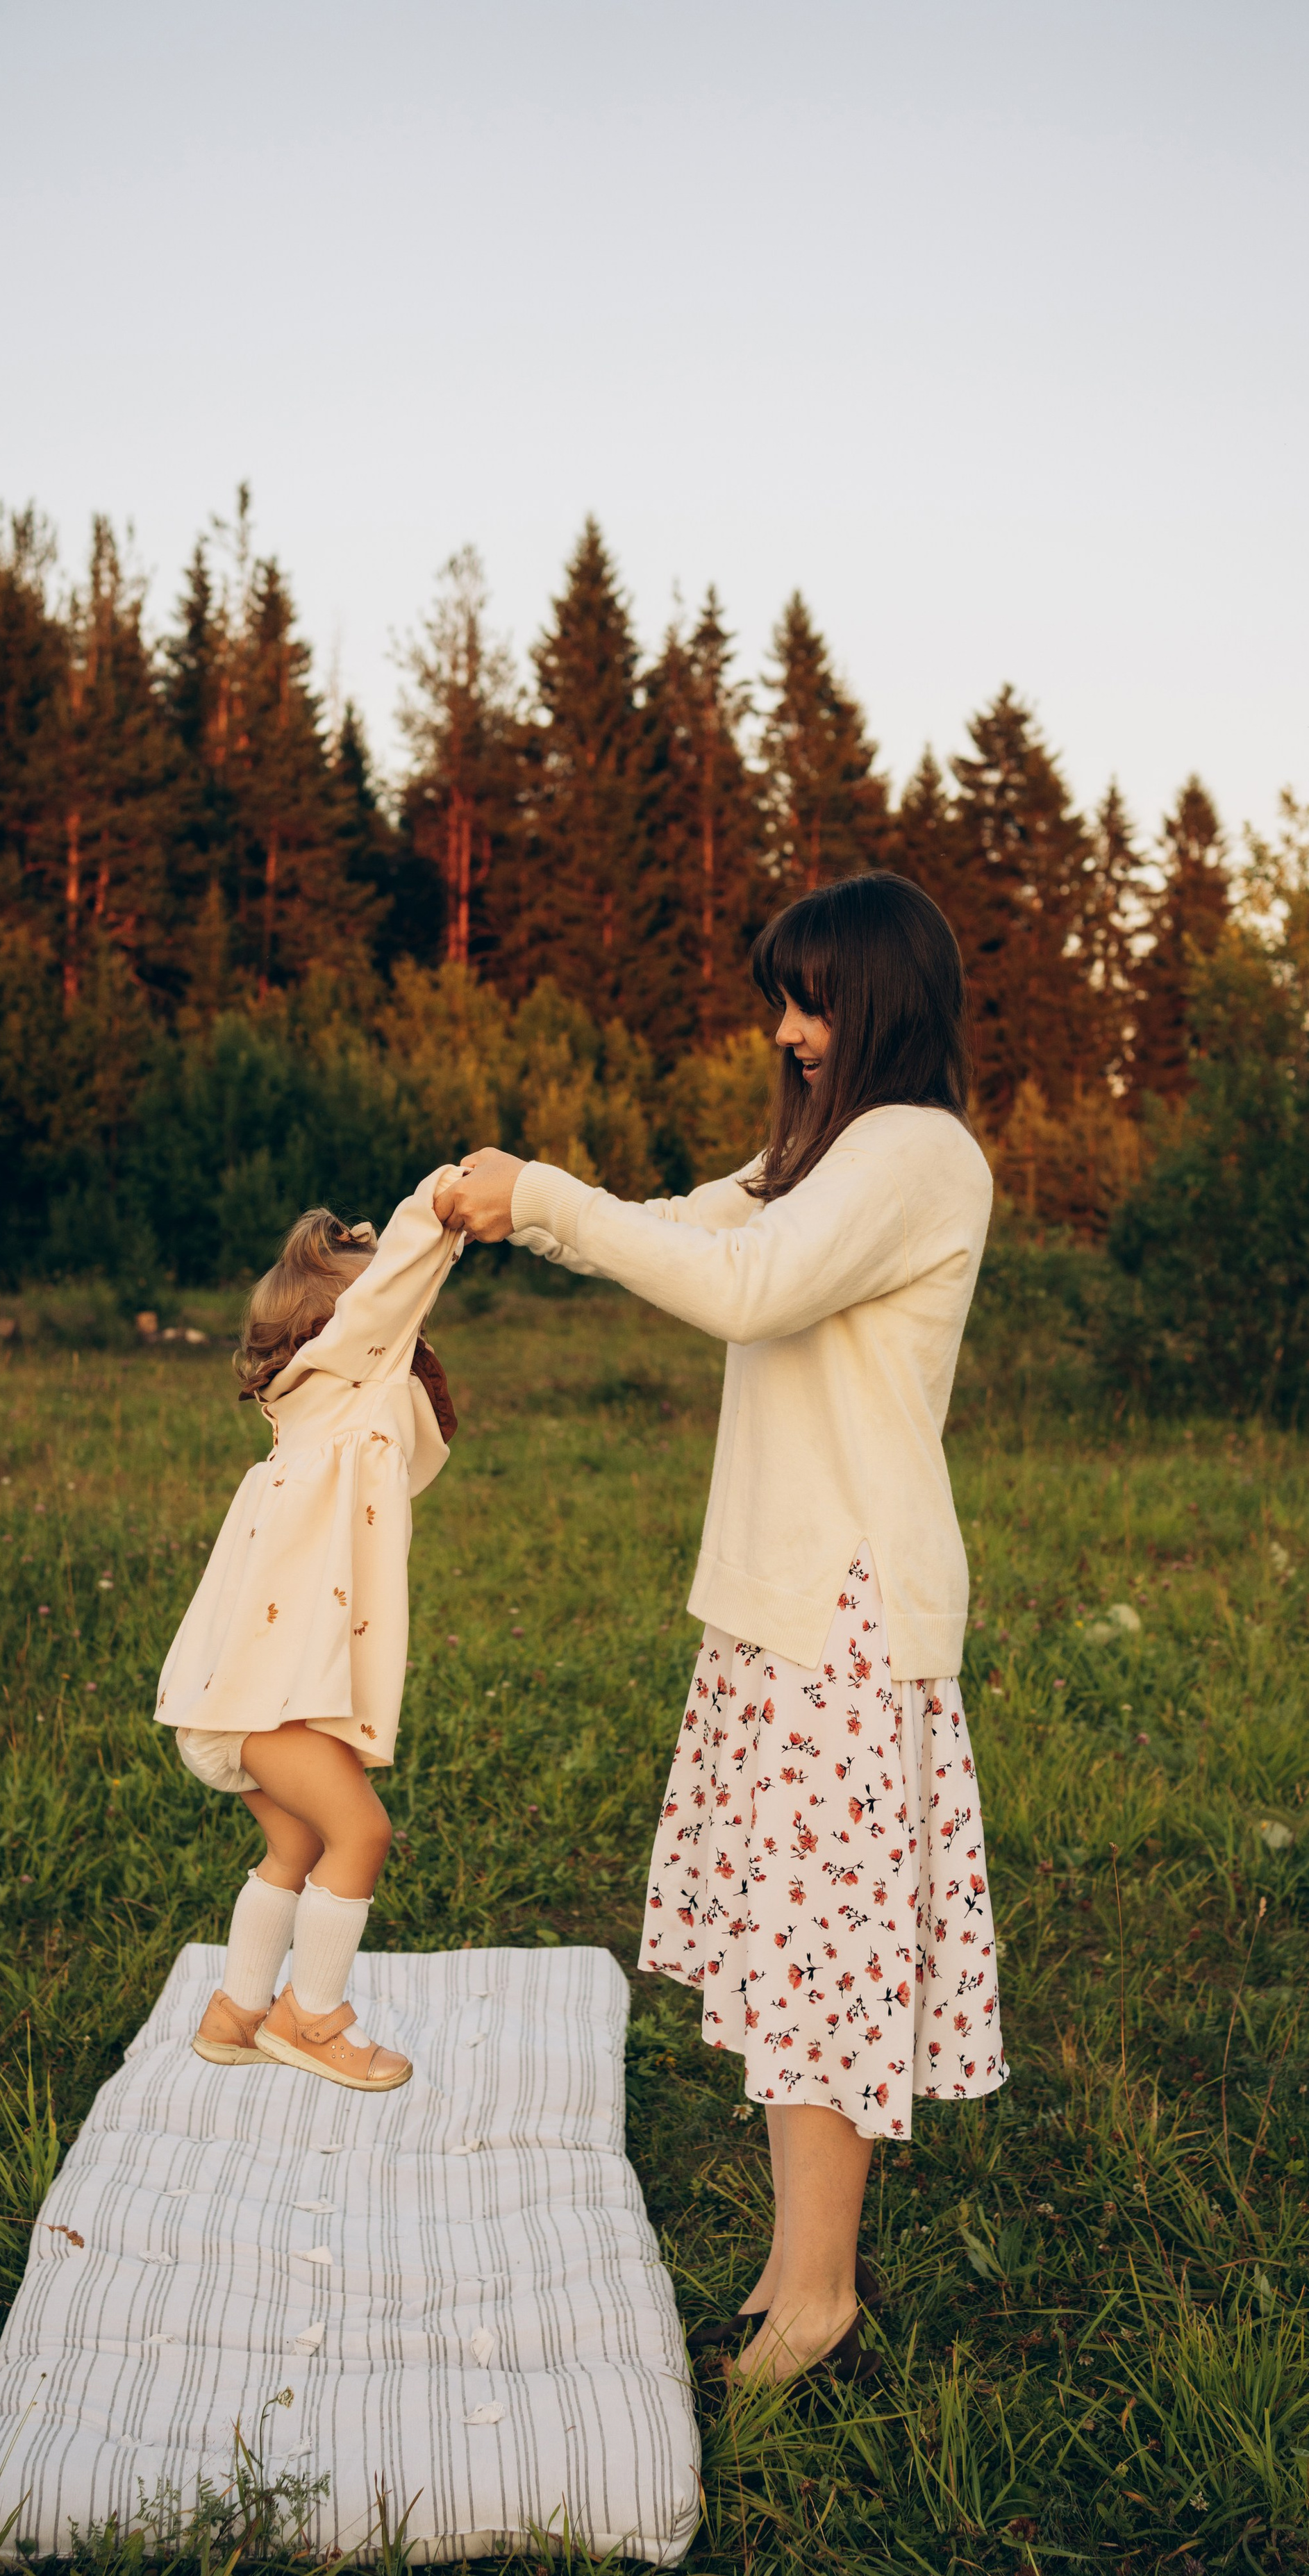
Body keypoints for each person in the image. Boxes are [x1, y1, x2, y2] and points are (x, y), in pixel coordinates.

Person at [436, 874, 1007, 2383]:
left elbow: (742, 1291)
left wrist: (546, 1196)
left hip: (846, 1611)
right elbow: (679, 1233)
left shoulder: (913, 1153)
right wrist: (511, 1213)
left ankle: (818, 2299)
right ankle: (785, 2268)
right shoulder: (819, 1157)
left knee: (817, 1967)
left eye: (808, 1000)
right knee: (783, 1949)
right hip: (782, 1606)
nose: (786, 1029)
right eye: (782, 998)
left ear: (877, 999)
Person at [156, 1170, 465, 2091]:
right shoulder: (345, 1387)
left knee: (296, 1845)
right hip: (256, 1700)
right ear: (349, 1331)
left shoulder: (307, 1414)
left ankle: (236, 2014)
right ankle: (312, 2019)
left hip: (224, 1696)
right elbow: (394, 1294)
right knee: (359, 1835)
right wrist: (442, 1216)